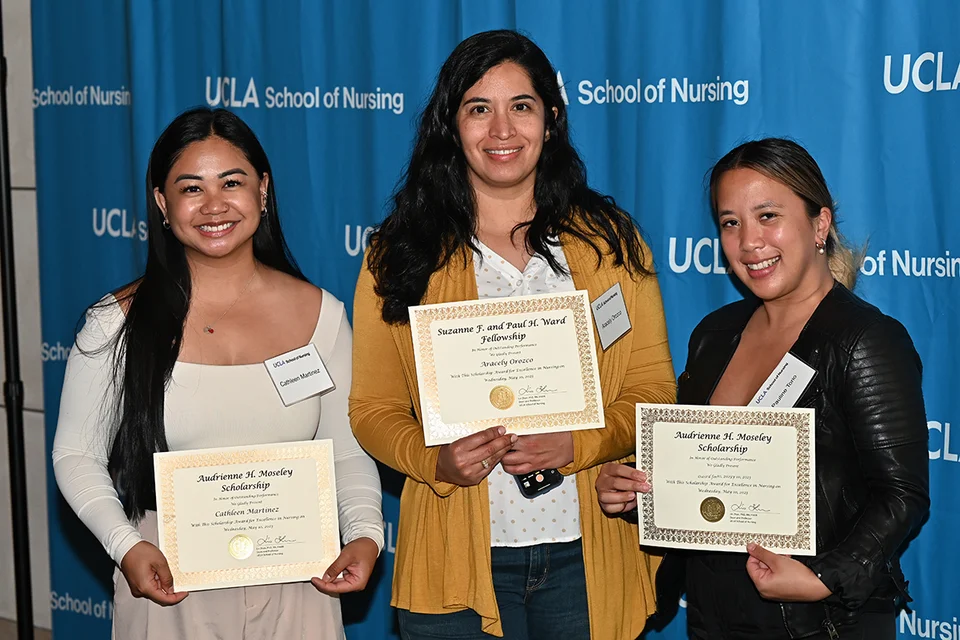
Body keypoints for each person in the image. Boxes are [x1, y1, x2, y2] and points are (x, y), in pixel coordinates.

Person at [349, 30, 676, 640]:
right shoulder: (399, 254)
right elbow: (372, 408)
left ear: (551, 120)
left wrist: (578, 444)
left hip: (583, 556)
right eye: (479, 109)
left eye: (520, 107)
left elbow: (652, 391)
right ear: (451, 125)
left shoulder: (610, 244)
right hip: (454, 555)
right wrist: (434, 459)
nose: (502, 131)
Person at [52, 107, 384, 639]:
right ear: (162, 202)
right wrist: (126, 546)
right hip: (167, 579)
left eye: (232, 182)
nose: (214, 206)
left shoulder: (322, 315)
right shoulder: (115, 324)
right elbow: (76, 454)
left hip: (299, 579)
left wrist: (366, 534)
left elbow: (345, 449)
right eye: (190, 188)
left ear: (263, 190)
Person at [596, 138, 929, 639]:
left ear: (820, 224)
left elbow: (902, 496)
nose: (749, 242)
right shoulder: (714, 334)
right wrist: (638, 495)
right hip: (714, 614)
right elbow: (704, 478)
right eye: (731, 222)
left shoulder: (865, 341)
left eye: (768, 215)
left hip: (821, 623)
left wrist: (823, 578)